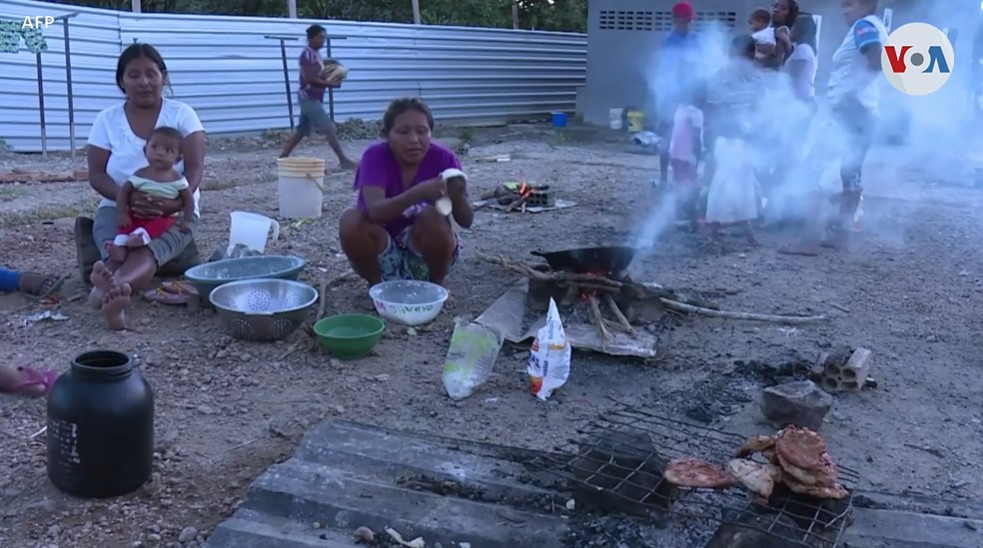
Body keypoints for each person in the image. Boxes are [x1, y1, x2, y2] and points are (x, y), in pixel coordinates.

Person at [84, 43, 207, 330]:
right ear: (121, 81)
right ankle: (113, 291)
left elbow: (195, 168)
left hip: (174, 211)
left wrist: (174, 204)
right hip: (117, 208)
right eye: (134, 75)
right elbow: (96, 174)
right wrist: (126, 200)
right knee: (117, 249)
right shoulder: (107, 120)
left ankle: (106, 289)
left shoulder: (182, 114)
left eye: (151, 74)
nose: (144, 82)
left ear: (164, 77)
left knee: (146, 251)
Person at [781, 0, 887, 256]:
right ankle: (842, 235)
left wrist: (851, 96)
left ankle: (809, 240)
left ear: (866, 4)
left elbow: (876, 61)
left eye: (849, 3)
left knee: (810, 169)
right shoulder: (877, 26)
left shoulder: (864, 27)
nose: (843, 9)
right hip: (864, 115)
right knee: (851, 176)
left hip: (848, 115)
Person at [339, 98, 474, 285]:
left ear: (431, 133)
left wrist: (458, 196)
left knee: (432, 217)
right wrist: (420, 192)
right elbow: (375, 211)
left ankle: (435, 287)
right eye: (403, 131)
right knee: (350, 220)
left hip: (425, 256)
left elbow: (466, 221)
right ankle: (378, 287)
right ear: (387, 135)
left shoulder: (444, 158)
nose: (413, 139)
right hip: (384, 253)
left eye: (422, 131)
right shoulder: (375, 157)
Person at [704, 36, 764, 246]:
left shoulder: (756, 79)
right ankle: (714, 229)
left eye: (750, 56)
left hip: (746, 139)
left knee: (745, 185)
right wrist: (711, 139)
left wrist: (755, 130)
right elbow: (712, 113)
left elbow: (758, 109)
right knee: (724, 183)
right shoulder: (719, 79)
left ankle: (744, 231)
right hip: (726, 139)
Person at [107, 126, 195, 264]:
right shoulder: (139, 174)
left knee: (161, 225)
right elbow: (124, 191)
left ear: (178, 159)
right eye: (154, 147)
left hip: (162, 216)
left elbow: (188, 199)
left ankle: (140, 239)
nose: (159, 153)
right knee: (125, 225)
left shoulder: (177, 179)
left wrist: (187, 220)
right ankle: (120, 248)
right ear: (145, 150)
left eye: (168, 150)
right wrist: (121, 213)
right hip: (136, 214)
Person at [279, 24, 357, 170]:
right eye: (320, 37)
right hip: (309, 97)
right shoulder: (307, 55)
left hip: (311, 96)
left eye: (324, 37)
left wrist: (334, 77)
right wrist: (330, 84)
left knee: (302, 130)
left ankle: (283, 157)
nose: (323, 40)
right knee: (328, 128)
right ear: (311, 38)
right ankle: (343, 160)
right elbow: (310, 79)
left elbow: (318, 75)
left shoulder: (316, 54)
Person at [656, 1, 705, 187]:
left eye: (689, 21)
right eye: (684, 21)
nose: (688, 24)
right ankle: (663, 178)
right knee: (667, 136)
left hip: (694, 94)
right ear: (675, 20)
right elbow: (667, 69)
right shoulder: (668, 41)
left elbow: (702, 67)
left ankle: (692, 174)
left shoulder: (697, 40)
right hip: (672, 95)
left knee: (695, 136)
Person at [668, 95, 704, 230]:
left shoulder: (688, 111)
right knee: (685, 188)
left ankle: (687, 221)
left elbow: (693, 137)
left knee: (685, 188)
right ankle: (687, 221)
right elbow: (692, 137)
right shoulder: (687, 111)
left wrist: (694, 159)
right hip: (681, 156)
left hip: (681, 155)